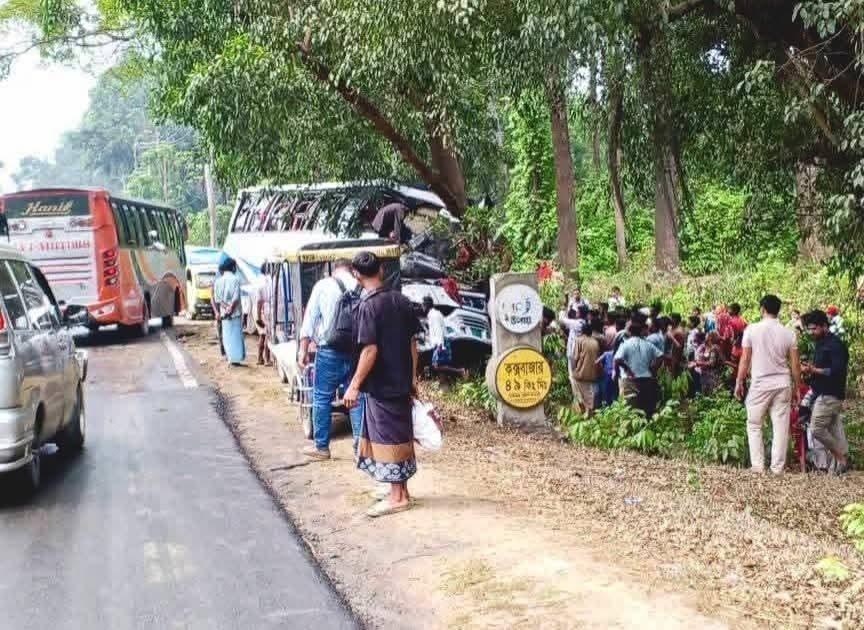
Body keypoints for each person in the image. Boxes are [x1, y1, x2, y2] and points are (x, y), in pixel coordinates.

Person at [344, 252, 421, 517]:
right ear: (381, 269)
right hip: (401, 380)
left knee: (387, 437)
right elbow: (413, 343)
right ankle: (401, 490)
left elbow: (370, 350)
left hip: (381, 383)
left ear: (356, 274)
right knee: (401, 434)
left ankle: (397, 496)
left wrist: (354, 384)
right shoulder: (401, 301)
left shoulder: (368, 306)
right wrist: (412, 378)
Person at [298, 259, 365, 460]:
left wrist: (302, 350)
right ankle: (360, 450)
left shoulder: (323, 285)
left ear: (333, 270)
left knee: (322, 397)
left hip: (329, 350)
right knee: (356, 397)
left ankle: (322, 448)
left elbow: (309, 320)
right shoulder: (360, 286)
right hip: (356, 352)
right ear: (352, 270)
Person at [735, 295, 801, 475]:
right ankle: (777, 468)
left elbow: (745, 359)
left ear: (762, 309)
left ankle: (758, 466)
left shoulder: (751, 330)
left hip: (760, 384)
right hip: (782, 384)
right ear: (778, 310)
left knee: (754, 423)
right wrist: (797, 388)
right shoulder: (789, 333)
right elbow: (795, 364)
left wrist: (739, 381)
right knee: (780, 427)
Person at [802, 310, 851, 474]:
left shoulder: (836, 345)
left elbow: (836, 371)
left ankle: (840, 457)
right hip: (821, 392)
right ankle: (837, 466)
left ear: (824, 326)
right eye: (809, 329)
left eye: (814, 328)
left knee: (816, 428)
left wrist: (814, 370)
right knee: (833, 430)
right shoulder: (821, 343)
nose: (811, 332)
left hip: (830, 394)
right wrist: (810, 370)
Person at [614, 318, 664, 418]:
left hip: (630, 380)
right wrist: (653, 369)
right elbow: (660, 356)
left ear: (630, 332)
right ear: (640, 332)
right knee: (646, 410)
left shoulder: (625, 344)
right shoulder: (648, 344)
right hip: (647, 379)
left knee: (630, 410)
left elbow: (617, 359)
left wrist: (627, 369)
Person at [422, 296, 466, 379]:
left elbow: (439, 331)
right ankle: (445, 383)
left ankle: (460, 371)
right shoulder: (434, 314)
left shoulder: (434, 315)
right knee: (440, 366)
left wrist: (440, 346)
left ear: (426, 305)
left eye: (423, 305)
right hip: (439, 342)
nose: (422, 307)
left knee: (437, 365)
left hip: (440, 343)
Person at [213, 257, 245, 366]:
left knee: (226, 336)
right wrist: (230, 309)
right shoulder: (235, 279)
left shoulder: (218, 281)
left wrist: (226, 309)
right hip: (234, 314)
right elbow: (235, 298)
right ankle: (236, 359)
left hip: (224, 314)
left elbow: (217, 299)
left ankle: (230, 357)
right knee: (235, 336)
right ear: (232, 267)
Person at [571, 322, 601, 416]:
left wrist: (574, 369)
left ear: (582, 331)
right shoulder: (595, 341)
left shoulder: (579, 340)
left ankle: (583, 413)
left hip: (580, 373)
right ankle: (590, 412)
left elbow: (575, 357)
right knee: (589, 394)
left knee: (579, 394)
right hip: (593, 374)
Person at [692, 332, 723, 396]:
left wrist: (698, 363)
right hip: (705, 376)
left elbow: (712, 363)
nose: (705, 336)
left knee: (711, 395)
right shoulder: (708, 347)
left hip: (711, 377)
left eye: (707, 335)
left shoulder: (714, 348)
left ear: (710, 338)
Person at [255, 262, 274, 366]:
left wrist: (258, 316)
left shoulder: (258, 280)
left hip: (260, 309)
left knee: (262, 335)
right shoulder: (269, 281)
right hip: (265, 308)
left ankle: (259, 358)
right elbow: (260, 301)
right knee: (267, 334)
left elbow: (258, 301)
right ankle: (267, 359)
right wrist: (259, 316)